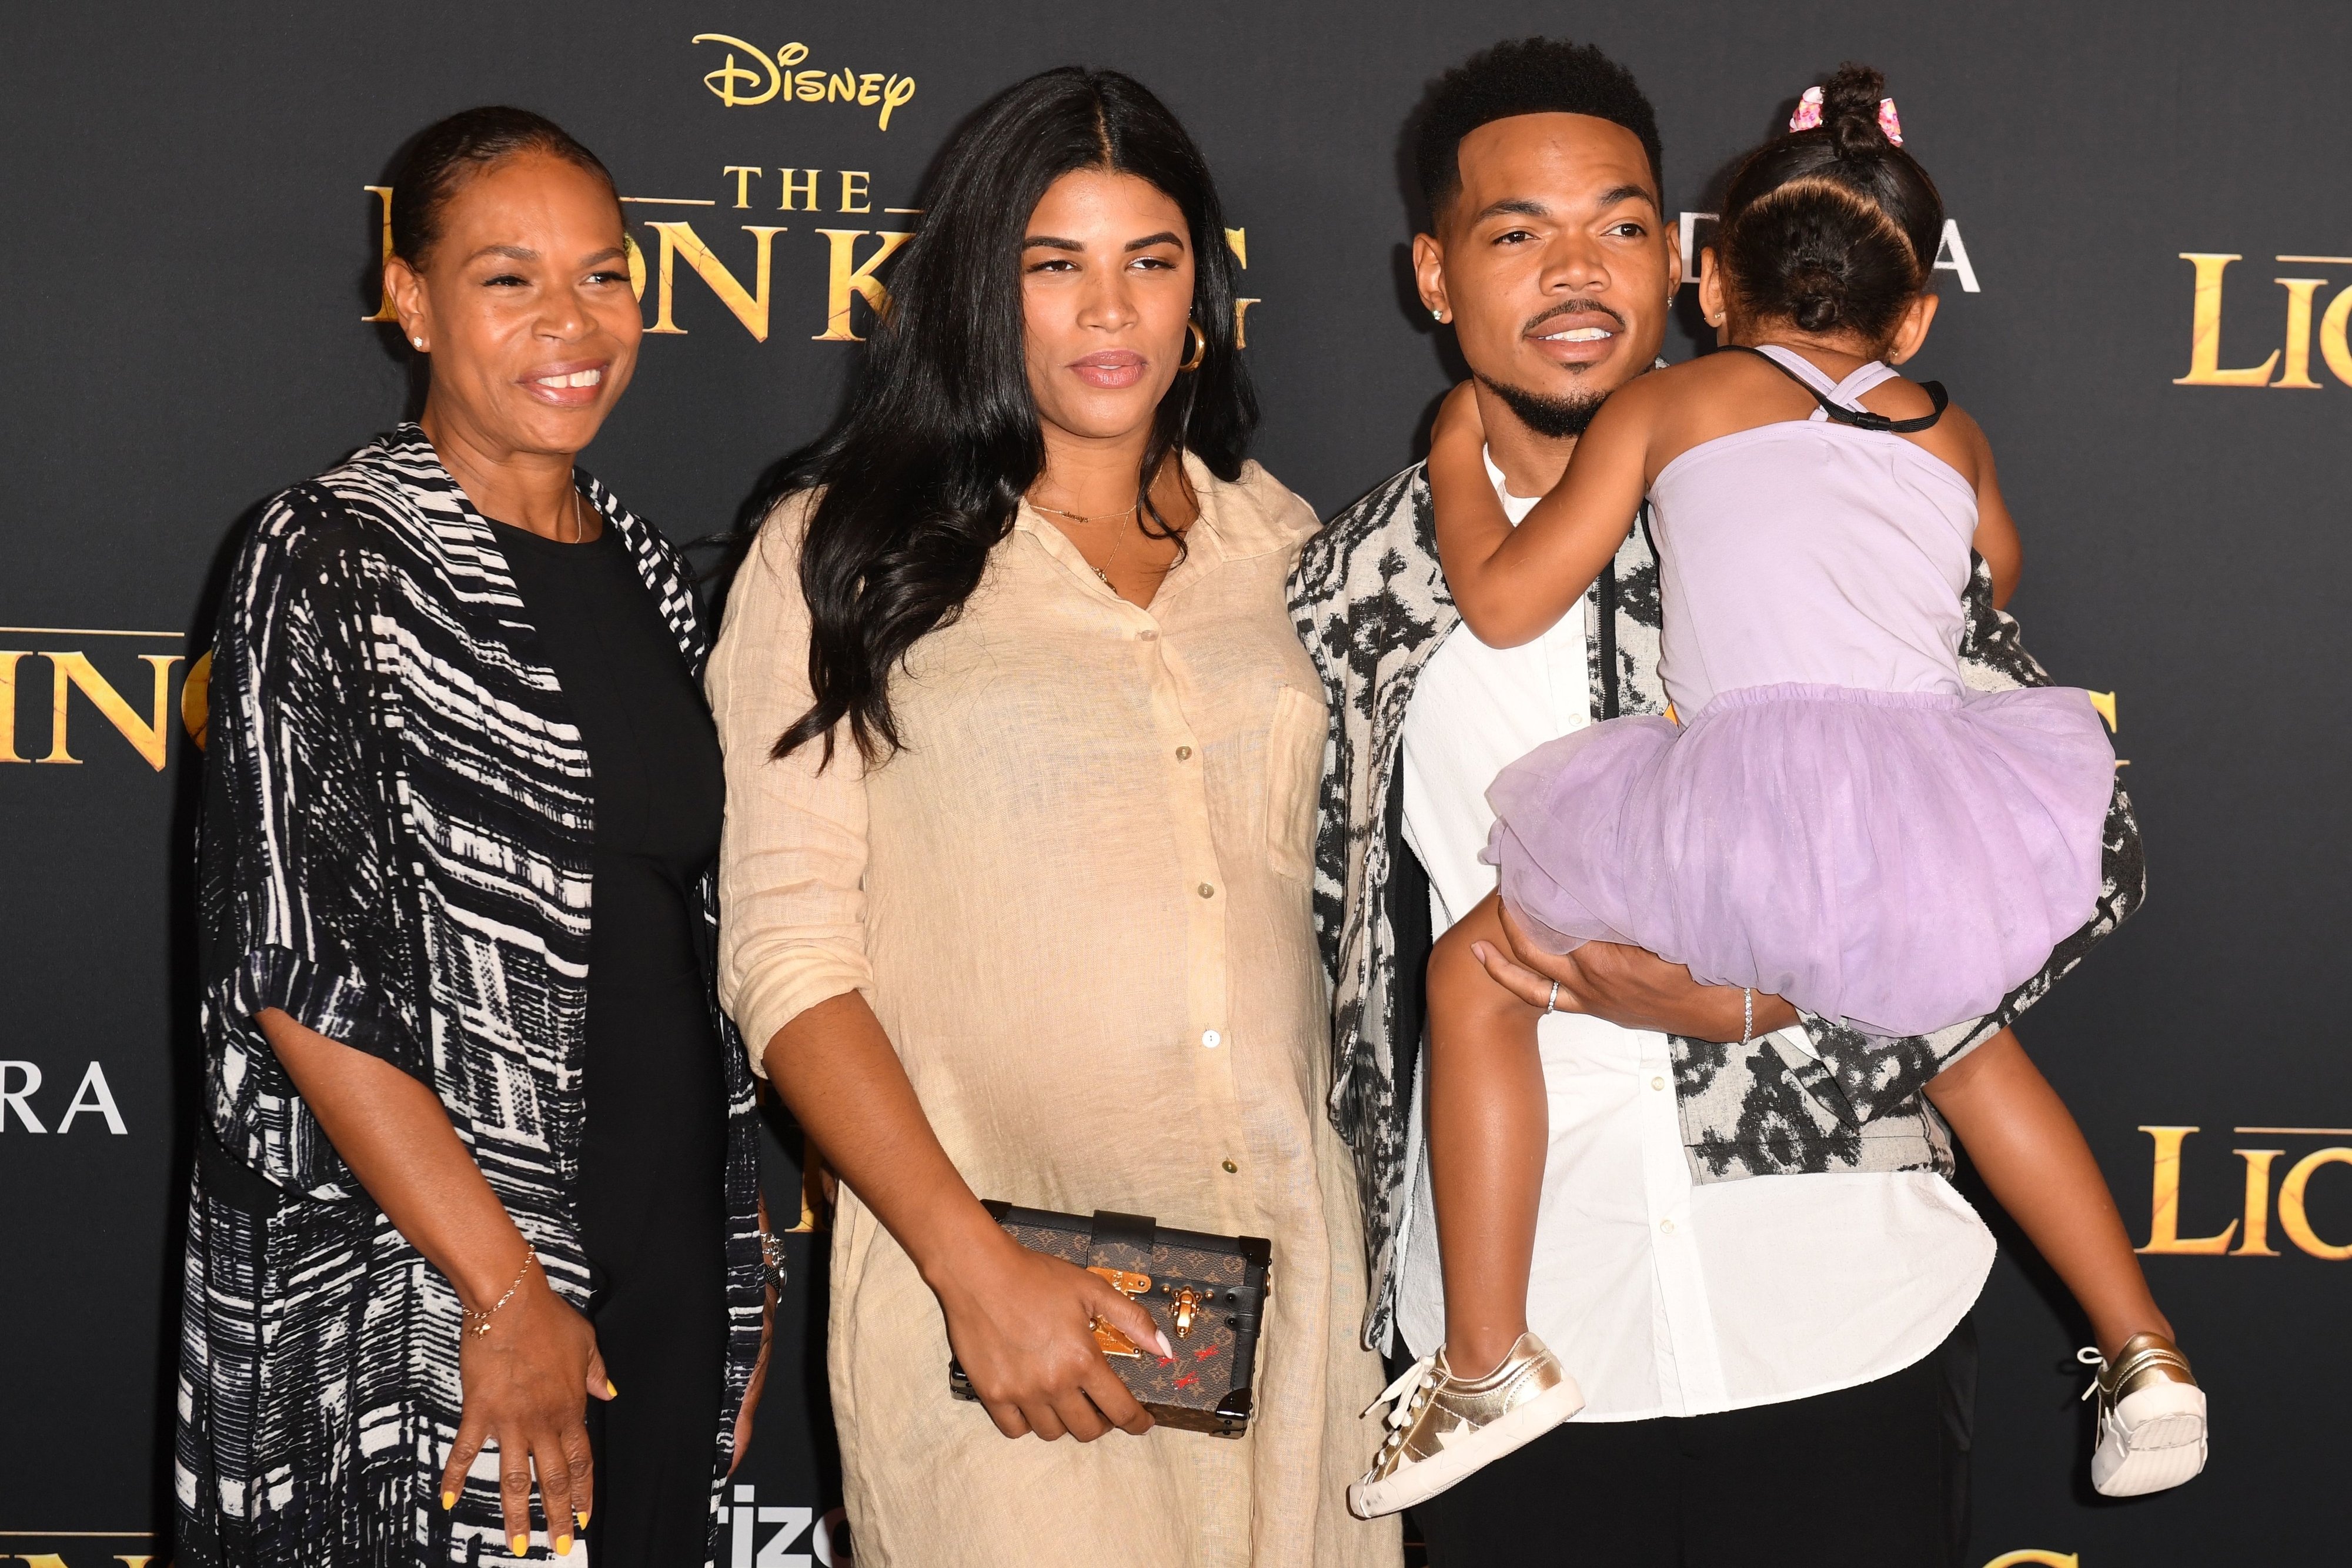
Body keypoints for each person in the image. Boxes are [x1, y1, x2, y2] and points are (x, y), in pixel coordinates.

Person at [1289, 39, 2150, 1566]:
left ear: (1685, 263)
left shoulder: (1821, 522)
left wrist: (1768, 996)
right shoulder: (1350, 584)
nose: (1573, 271)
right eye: (1514, 233)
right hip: (1523, 1327)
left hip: (1838, 1307)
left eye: (1617, 224)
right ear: (1435, 273)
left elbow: (2064, 861)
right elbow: (1322, 952)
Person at [708, 67, 1398, 1568]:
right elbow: (784, 957)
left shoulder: (1280, 545)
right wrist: (971, 1268)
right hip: (1005, 1323)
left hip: (1296, 1304)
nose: (1109, 312)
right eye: (1054, 265)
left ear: (1199, 294)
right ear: (979, 291)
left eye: (1149, 262)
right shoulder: (833, 556)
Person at [176, 107, 768, 1568]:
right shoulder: (326, 558)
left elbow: (681, 944)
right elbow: (301, 974)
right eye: (509, 279)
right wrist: (506, 1294)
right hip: (431, 1283)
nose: (572, 322)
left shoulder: (648, 570)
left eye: (606, 275)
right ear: (410, 299)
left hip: (659, 1259)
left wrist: (733, 1271)